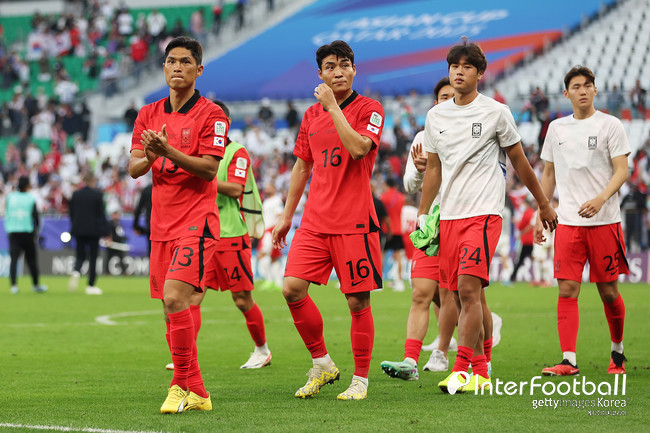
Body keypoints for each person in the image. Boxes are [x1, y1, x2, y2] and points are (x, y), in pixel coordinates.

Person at [418, 38, 557, 394]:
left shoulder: (496, 112)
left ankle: (462, 368)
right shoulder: (436, 116)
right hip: (448, 217)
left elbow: (520, 160)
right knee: (462, 294)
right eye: (454, 66)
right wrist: (422, 213)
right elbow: (433, 169)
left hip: (484, 214)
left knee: (467, 289)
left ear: (480, 73)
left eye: (467, 66)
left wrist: (543, 203)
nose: (459, 72)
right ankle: (481, 369)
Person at [271, 40, 384, 401]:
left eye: (345, 65)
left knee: (357, 302)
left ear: (354, 69)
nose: (338, 71)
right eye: (331, 66)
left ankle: (361, 381)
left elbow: (358, 149)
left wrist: (333, 107)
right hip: (316, 220)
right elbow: (303, 165)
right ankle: (322, 363)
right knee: (291, 288)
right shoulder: (309, 116)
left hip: (354, 221)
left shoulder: (370, 108)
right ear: (320, 73)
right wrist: (287, 217)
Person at [128, 36, 229, 414]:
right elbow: (134, 168)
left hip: (198, 222)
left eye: (186, 62)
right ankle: (198, 390)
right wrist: (152, 153)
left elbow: (209, 169)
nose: (177, 67)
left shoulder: (212, 114)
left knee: (175, 298)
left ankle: (178, 386)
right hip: (162, 226)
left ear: (198, 70)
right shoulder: (148, 113)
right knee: (170, 309)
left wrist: (169, 151)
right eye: (171, 61)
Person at [536, 65, 630, 376]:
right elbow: (548, 174)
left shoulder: (611, 125)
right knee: (566, 291)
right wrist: (542, 210)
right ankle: (569, 360)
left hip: (604, 222)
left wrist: (601, 198)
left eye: (588, 85)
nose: (583, 90)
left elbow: (622, 171)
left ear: (595, 90)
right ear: (567, 93)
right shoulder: (556, 129)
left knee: (609, 292)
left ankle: (617, 352)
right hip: (568, 224)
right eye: (576, 86)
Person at [380, 77, 459, 380]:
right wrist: (423, 169)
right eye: (442, 96)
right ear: (434, 102)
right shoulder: (422, 136)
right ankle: (411, 362)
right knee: (422, 294)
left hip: (462, 220)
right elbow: (409, 184)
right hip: (431, 225)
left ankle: (476, 355)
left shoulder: (473, 133)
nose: (447, 100)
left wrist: (441, 167)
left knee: (461, 296)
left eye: (452, 95)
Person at [185, 99, 272, 371]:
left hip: (231, 235)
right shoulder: (198, 154)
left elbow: (235, 189)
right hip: (203, 234)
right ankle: (186, 355)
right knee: (193, 297)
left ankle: (262, 350)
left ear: (227, 123)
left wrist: (202, 175)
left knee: (242, 299)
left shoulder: (237, 152)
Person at [68, 172, 109, 296]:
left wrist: (75, 226)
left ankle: (76, 271)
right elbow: (101, 215)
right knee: (93, 257)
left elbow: (71, 213)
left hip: (78, 229)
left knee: (80, 255)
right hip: (93, 230)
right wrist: (106, 231)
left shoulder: (76, 194)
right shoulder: (97, 195)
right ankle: (91, 285)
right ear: (92, 181)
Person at [4, 176, 47, 294]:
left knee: (14, 259)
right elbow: (35, 217)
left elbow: (7, 212)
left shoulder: (11, 197)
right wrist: (37, 230)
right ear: (27, 185)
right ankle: (36, 285)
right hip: (27, 232)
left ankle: (13, 285)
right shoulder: (30, 198)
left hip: (13, 231)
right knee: (32, 260)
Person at [380, 177, 406, 291]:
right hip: (398, 229)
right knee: (399, 256)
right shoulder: (401, 197)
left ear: (387, 185)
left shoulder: (383, 197)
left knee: (381, 255)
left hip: (386, 230)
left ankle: (379, 281)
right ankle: (399, 281)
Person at [133, 182, 152, 255]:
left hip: (151, 226)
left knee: (152, 252)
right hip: (165, 226)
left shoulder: (147, 190)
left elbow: (138, 209)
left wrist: (135, 226)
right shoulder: (165, 188)